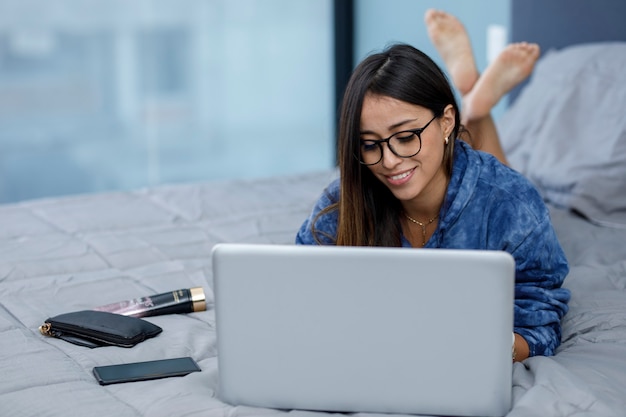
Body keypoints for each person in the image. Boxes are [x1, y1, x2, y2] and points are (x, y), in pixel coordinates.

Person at [295, 9, 570, 362]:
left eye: (406, 137)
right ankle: (475, 100)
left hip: (501, 195)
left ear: (445, 122)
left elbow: (540, 318)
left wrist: (480, 344)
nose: (390, 160)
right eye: (369, 143)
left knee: (501, 190)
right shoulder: (342, 202)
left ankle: (476, 105)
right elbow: (300, 286)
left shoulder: (514, 204)